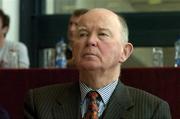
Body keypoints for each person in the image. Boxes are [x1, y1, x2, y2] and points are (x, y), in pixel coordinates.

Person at [24, 8, 171, 119]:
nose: (90, 41)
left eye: (102, 34)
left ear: (124, 52)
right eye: (83, 34)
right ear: (73, 48)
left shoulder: (152, 110)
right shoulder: (39, 102)